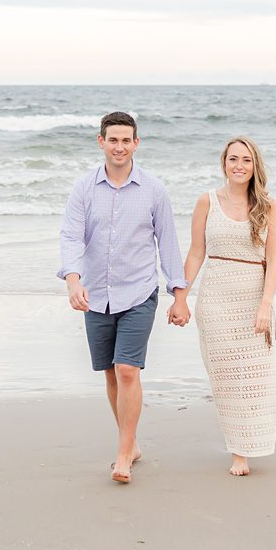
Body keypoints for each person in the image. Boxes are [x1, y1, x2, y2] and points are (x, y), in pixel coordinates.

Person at [59, 112, 189, 485]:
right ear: (101, 142)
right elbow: (71, 237)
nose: (119, 146)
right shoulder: (84, 188)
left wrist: (178, 295)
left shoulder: (153, 189)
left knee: (128, 370)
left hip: (138, 292)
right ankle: (131, 443)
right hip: (96, 294)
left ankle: (122, 453)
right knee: (111, 373)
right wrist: (72, 280)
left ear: (136, 143)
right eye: (112, 140)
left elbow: (168, 243)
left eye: (126, 140)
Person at [167, 136, 276, 476]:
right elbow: (195, 253)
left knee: (269, 382)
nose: (239, 165)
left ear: (254, 166)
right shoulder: (207, 201)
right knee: (228, 381)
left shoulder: (268, 206)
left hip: (253, 298)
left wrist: (266, 303)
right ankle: (239, 452)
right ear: (224, 163)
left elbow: (274, 259)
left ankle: (253, 438)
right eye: (233, 159)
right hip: (216, 301)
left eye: (246, 160)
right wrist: (180, 297)